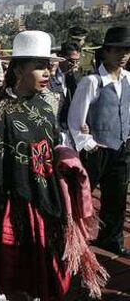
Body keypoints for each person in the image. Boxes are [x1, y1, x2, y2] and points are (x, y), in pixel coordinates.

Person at [0, 31, 71, 300]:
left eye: (47, 66)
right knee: (14, 258)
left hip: (46, 194)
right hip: (14, 198)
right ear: (18, 70)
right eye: (39, 66)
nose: (47, 73)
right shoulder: (0, 111)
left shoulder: (48, 106)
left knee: (43, 253)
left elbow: (53, 142)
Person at [68, 26, 130, 256]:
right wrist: (89, 143)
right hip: (97, 150)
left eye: (127, 50)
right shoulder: (92, 82)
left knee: (117, 198)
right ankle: (73, 239)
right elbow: (76, 119)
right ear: (106, 52)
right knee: (82, 197)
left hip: (121, 147)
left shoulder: (129, 79)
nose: (123, 55)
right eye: (118, 50)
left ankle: (111, 239)